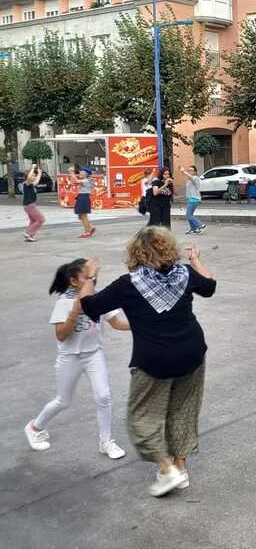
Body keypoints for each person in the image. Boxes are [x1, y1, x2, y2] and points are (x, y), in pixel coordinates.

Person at [77, 227, 216, 497]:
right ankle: (181, 468)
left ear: (136, 252)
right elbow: (209, 286)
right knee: (183, 410)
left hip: (154, 360)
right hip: (192, 352)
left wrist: (90, 276)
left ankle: (166, 468)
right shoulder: (185, 274)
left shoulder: (128, 284)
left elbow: (89, 305)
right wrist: (195, 260)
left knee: (141, 417)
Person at [24, 258, 129, 460]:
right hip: (70, 357)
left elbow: (116, 323)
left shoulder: (99, 297)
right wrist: (75, 311)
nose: (93, 281)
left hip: (94, 354)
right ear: (73, 281)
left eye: (94, 277)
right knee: (63, 400)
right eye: (88, 277)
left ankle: (106, 441)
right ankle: (34, 427)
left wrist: (142, 325)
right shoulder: (64, 302)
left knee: (103, 396)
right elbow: (61, 335)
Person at [69, 167, 95, 238]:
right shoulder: (85, 180)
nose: (80, 173)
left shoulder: (86, 181)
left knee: (83, 216)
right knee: (81, 215)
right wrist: (72, 174)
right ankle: (90, 227)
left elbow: (76, 180)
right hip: (82, 197)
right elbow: (73, 181)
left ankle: (87, 232)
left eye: (82, 172)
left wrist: (71, 172)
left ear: (86, 174)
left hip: (83, 198)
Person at [179, 165, 205, 235]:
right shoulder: (189, 180)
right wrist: (182, 172)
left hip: (194, 199)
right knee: (189, 215)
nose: (190, 172)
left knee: (189, 215)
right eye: (189, 170)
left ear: (195, 172)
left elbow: (191, 177)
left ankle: (201, 225)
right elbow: (187, 177)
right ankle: (193, 229)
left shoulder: (196, 178)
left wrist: (184, 172)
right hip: (191, 199)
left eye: (191, 170)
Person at [23, 163, 45, 242]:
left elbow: (37, 181)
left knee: (33, 221)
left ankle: (29, 236)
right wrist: (32, 168)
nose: (34, 177)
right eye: (33, 176)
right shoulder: (26, 183)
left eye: (34, 176)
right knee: (41, 220)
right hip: (30, 206)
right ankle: (28, 233)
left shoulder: (32, 184)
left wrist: (39, 173)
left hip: (30, 205)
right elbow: (29, 177)